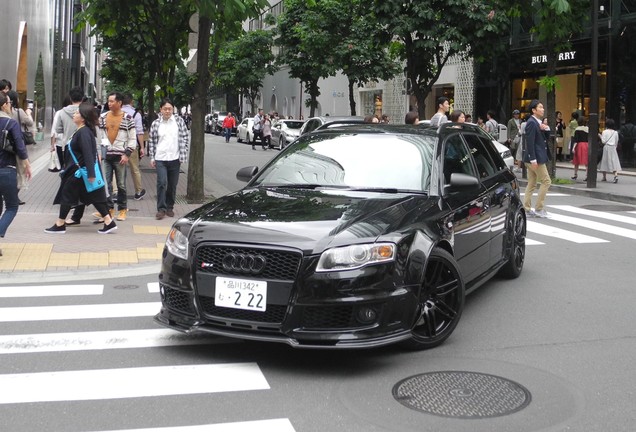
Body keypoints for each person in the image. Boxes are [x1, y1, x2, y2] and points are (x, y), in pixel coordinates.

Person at [45, 103, 116, 234]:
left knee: (66, 195)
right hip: (80, 172)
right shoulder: (82, 130)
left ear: (83, 117)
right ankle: (108, 221)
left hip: (78, 173)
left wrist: (91, 173)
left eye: (77, 113)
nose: (74, 114)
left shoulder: (83, 132)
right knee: (94, 196)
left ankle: (60, 223)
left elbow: (88, 153)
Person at [0, 92, 32, 255]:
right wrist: (27, 165)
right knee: (12, 206)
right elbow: (20, 147)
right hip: (6, 170)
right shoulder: (10, 123)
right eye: (9, 103)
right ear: (4, 105)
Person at [148, 98, 189, 220]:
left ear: (173, 109)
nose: (167, 111)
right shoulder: (156, 123)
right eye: (165, 109)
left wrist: (183, 152)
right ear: (161, 109)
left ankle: (170, 207)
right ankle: (161, 208)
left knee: (172, 184)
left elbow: (185, 137)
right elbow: (152, 142)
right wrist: (152, 157)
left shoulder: (179, 121)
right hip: (160, 158)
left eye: (169, 109)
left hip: (175, 158)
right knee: (161, 183)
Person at [98, 92, 136, 221]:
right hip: (106, 155)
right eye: (108, 101)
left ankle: (122, 209)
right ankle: (109, 209)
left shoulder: (128, 118)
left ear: (119, 103)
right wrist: (100, 152)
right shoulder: (102, 117)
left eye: (112, 101)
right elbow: (99, 136)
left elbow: (132, 138)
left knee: (121, 185)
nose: (109, 103)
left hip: (121, 156)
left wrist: (127, 154)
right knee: (106, 184)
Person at [522, 99, 551, 218]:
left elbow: (544, 139)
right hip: (535, 158)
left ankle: (527, 208)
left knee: (532, 183)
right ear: (534, 110)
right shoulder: (531, 123)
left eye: (542, 107)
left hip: (532, 158)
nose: (542, 109)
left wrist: (546, 129)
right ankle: (539, 208)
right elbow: (530, 142)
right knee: (546, 181)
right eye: (540, 107)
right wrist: (533, 159)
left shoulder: (537, 122)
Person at [7, 91, 34, 205]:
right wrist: (29, 113)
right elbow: (30, 123)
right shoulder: (19, 112)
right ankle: (13, 196)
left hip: (6, 146)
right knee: (20, 171)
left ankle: (8, 195)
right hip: (18, 146)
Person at [121, 93, 146, 201]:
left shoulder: (117, 113)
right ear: (132, 102)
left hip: (118, 145)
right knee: (135, 169)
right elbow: (139, 132)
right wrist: (142, 147)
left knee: (117, 169)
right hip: (132, 145)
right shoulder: (137, 114)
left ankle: (116, 192)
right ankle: (138, 192)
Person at [598, 118, 621, 183]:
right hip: (613, 148)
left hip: (606, 147)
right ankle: (615, 175)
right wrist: (615, 147)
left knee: (604, 161)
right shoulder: (615, 132)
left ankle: (604, 177)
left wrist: (600, 136)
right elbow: (616, 141)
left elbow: (603, 141)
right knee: (613, 162)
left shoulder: (604, 132)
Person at [571, 116, 589, 181]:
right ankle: (587, 175)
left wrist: (573, 148)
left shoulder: (577, 129)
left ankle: (575, 174)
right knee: (586, 161)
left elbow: (576, 139)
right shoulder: (588, 129)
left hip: (579, 145)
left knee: (576, 161)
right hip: (587, 145)